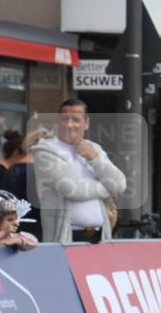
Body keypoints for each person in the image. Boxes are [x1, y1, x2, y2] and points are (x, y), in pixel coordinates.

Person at [32, 100, 126, 244]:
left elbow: (120, 184)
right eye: (65, 119)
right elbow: (73, 189)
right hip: (67, 238)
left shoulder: (94, 148)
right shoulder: (45, 150)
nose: (69, 124)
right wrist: (108, 188)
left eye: (76, 119)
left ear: (86, 123)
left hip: (99, 237)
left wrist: (93, 157)